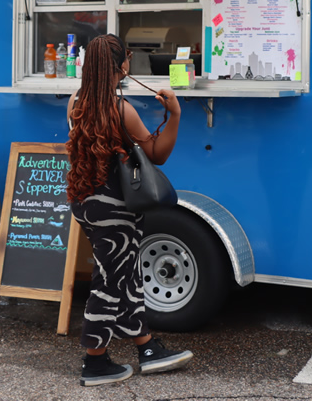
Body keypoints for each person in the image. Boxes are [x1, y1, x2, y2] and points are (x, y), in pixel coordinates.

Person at [65, 34, 193, 387]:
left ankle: (147, 347)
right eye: (126, 59)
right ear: (122, 65)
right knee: (109, 280)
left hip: (85, 200)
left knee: (123, 273)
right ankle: (94, 362)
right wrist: (175, 114)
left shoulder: (76, 101)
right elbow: (157, 154)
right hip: (114, 208)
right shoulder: (121, 110)